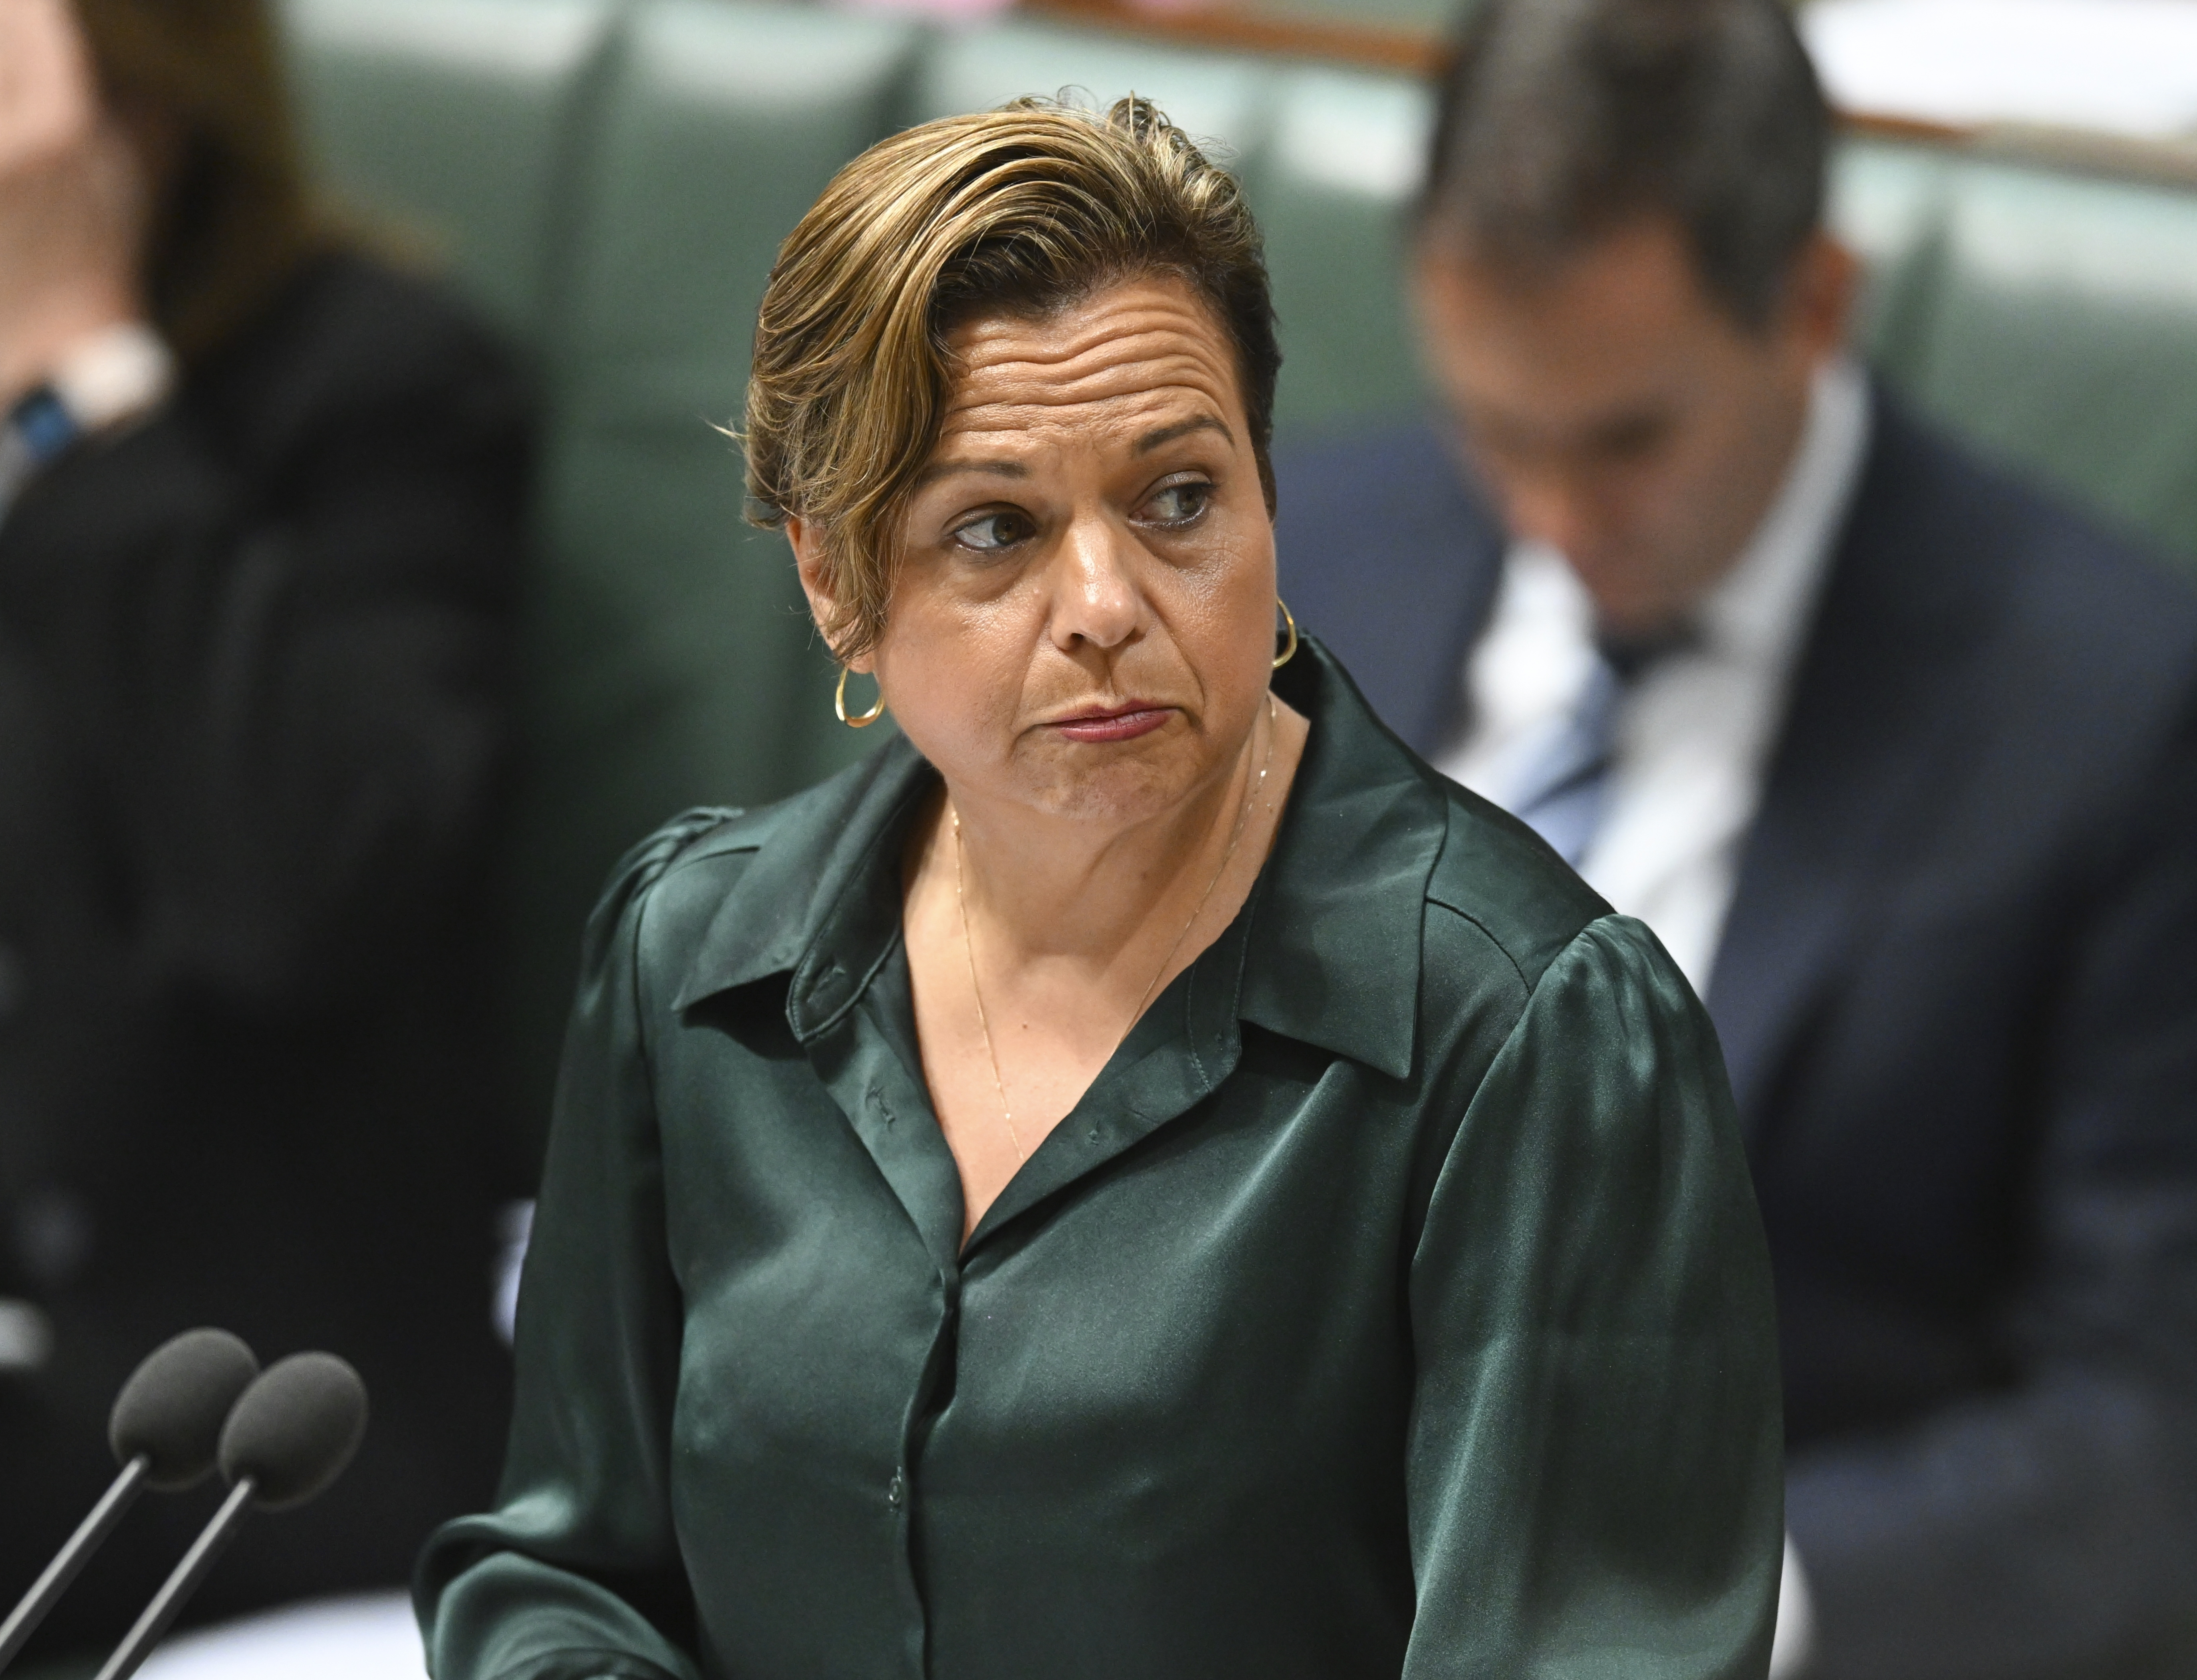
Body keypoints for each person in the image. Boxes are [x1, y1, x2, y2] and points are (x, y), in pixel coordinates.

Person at [416, 95, 1783, 1680]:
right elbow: (567, 1566)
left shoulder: (1527, 1037)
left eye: (1178, 498)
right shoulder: (692, 957)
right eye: (993, 528)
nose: (1106, 604)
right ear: (831, 580)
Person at [1268, 0, 2197, 1674]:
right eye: (1493, 427)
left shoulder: (2118, 714)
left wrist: (1697, 1606)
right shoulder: (1298, 553)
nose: (1552, 521)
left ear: (1814, 305)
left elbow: (2144, 1428)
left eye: (1625, 441)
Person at [0, 0, 535, 1672]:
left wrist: (63, 367)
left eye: (18, 95)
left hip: (80, 1365)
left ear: (153, 104)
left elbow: (301, 890)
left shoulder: (371, 391)